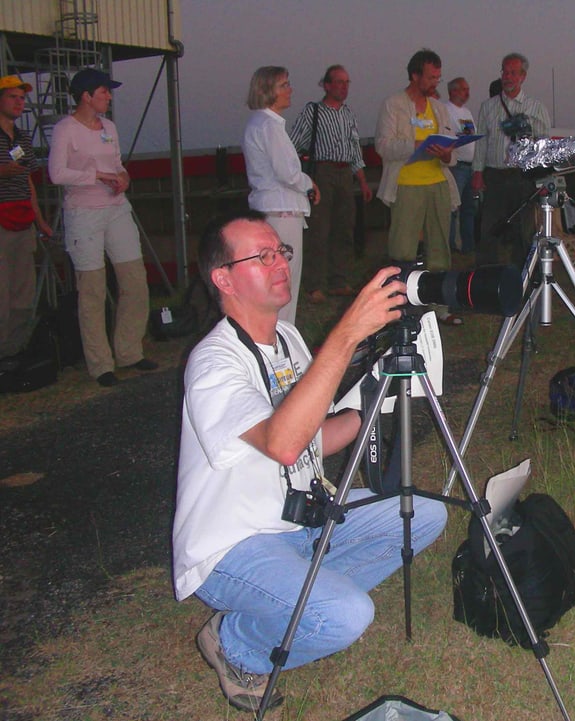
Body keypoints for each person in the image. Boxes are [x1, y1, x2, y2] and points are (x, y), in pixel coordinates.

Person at [173, 209, 447, 712]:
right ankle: (236, 643)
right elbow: (282, 443)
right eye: (263, 256)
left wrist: (376, 394)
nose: (280, 263)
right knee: (344, 615)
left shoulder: (289, 340)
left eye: (282, 251)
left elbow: (315, 437)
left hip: (301, 521)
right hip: (234, 544)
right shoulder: (213, 362)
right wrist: (346, 335)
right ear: (222, 278)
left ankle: (293, 596)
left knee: (426, 513)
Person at [48, 68, 156, 387]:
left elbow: (118, 164)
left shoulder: (109, 127)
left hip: (116, 209)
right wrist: (96, 177)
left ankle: (129, 351)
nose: (109, 96)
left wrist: (122, 177)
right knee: (92, 288)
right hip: (84, 213)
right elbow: (56, 173)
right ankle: (100, 363)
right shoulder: (65, 129)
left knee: (134, 280)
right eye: (104, 91)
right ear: (86, 96)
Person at [374, 48, 462, 325]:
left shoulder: (439, 108)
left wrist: (446, 153)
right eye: (431, 77)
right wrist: (417, 146)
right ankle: (401, 307)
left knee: (440, 248)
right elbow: (383, 146)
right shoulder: (393, 104)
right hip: (407, 185)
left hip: (437, 184)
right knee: (403, 250)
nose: (435, 83)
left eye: (438, 77)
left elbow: (452, 153)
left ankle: (439, 306)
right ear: (414, 76)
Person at [242, 66, 320, 326]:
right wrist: (309, 184)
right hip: (282, 212)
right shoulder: (269, 126)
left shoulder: (260, 123)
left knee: (274, 281)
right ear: (267, 91)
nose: (290, 90)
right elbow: (288, 173)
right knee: (285, 281)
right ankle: (284, 339)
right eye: (283, 85)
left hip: (272, 210)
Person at [288, 64, 372, 302]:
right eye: (339, 82)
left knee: (344, 229)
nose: (344, 87)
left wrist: (362, 181)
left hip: (344, 173)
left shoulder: (348, 114)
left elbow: (355, 150)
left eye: (347, 83)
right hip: (322, 173)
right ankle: (314, 284)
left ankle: (339, 281)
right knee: (318, 230)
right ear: (327, 85)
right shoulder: (313, 112)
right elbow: (293, 144)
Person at [472, 53, 551, 267]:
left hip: (522, 176)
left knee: (523, 232)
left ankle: (523, 280)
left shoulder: (536, 108)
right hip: (495, 175)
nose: (507, 77)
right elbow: (481, 142)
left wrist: (544, 178)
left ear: (522, 77)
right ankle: (487, 279)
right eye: (504, 72)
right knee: (489, 230)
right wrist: (477, 172)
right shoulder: (488, 107)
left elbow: (544, 143)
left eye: (513, 73)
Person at [0, 75, 54, 360]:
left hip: (22, 220)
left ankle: (12, 353)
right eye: (12, 97)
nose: (19, 102)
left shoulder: (22, 138)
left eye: (22, 98)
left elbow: (29, 182)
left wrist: (40, 220)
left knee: (23, 291)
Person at [445, 76, 477, 254]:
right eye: (464, 89)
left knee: (468, 209)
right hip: (456, 166)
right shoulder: (446, 110)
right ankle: (450, 246)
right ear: (454, 91)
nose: (467, 93)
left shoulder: (466, 112)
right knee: (452, 208)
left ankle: (468, 246)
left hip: (470, 166)